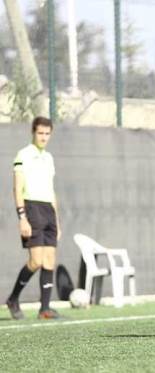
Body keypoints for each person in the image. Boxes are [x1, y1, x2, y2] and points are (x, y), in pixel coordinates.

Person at [5, 117, 61, 320]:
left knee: (49, 261)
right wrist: (22, 217)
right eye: (40, 133)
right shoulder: (23, 155)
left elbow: (52, 191)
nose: (43, 137)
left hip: (48, 211)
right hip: (32, 208)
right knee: (36, 261)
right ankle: (13, 299)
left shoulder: (49, 158)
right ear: (33, 132)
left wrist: (57, 220)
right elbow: (17, 188)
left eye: (47, 134)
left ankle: (44, 309)